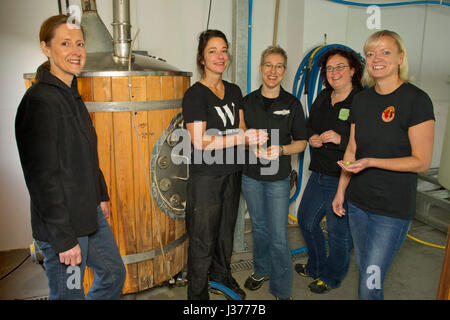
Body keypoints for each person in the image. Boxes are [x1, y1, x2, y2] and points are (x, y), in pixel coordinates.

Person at [15, 15, 126, 300]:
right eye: (65, 43)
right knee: (70, 294)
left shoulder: (71, 96)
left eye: (79, 43)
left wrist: (101, 195)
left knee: (114, 275)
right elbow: (42, 180)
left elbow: (88, 155)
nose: (75, 51)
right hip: (64, 228)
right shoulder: (39, 102)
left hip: (89, 215)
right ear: (46, 48)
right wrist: (64, 241)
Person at [332, 30, 435, 300]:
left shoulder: (416, 100)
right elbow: (352, 148)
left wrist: (372, 162)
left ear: (400, 57)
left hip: (391, 211)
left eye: (385, 52)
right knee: (366, 270)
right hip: (358, 205)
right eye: (370, 53)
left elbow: (422, 161)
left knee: (369, 280)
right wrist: (341, 190)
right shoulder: (361, 100)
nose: (376, 58)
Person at [182, 29, 258, 300]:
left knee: (226, 233)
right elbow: (201, 141)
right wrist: (241, 137)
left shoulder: (235, 90)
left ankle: (223, 277)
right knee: (203, 239)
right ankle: (198, 296)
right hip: (206, 178)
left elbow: (242, 127)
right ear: (202, 58)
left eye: (224, 50)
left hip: (232, 171)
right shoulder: (195, 95)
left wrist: (255, 141)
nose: (220, 56)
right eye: (212, 51)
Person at [295, 48, 363, 294]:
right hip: (320, 171)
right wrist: (312, 136)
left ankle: (332, 276)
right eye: (330, 68)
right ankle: (316, 266)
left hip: (343, 176)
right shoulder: (324, 96)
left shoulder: (361, 100)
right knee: (306, 220)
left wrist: (340, 138)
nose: (334, 73)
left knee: (337, 232)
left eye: (340, 67)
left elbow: (367, 142)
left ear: (353, 70)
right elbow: (309, 123)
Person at [241, 45, 307, 300]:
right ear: (260, 68)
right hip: (251, 177)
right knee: (258, 227)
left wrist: (280, 149)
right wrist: (251, 144)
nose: (273, 71)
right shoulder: (246, 102)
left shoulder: (292, 104)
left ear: (284, 71)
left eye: (279, 66)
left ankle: (281, 288)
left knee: (279, 234)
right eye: (268, 65)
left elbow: (301, 142)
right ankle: (261, 270)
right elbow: (240, 131)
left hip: (278, 179)